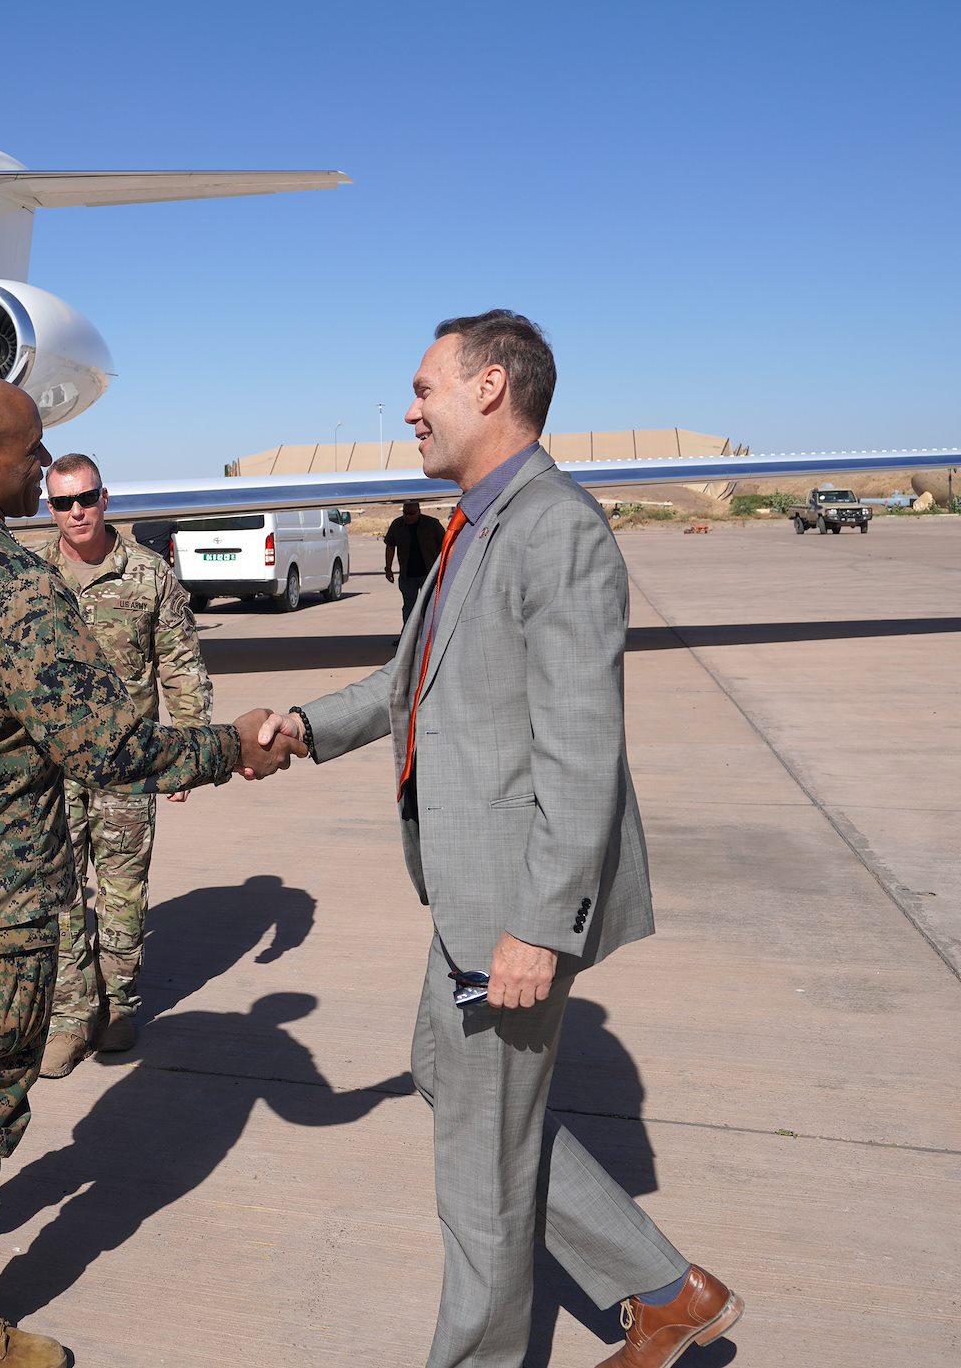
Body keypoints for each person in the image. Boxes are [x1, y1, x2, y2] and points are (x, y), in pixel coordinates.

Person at [264, 313, 741, 1368]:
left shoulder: (553, 529)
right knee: (452, 1087)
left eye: (422, 385)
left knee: (478, 1167)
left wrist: (538, 927)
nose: (407, 408)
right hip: (466, 902)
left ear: (488, 388)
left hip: (509, 910)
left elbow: (580, 751)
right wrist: (303, 729)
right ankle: (664, 1290)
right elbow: (414, 687)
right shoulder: (474, 523)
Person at [0, 377, 293, 1368]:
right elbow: (105, 749)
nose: (41, 469)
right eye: (32, 454)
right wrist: (227, 748)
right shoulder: (10, 581)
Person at [35, 452, 211, 1077]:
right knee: (53, 891)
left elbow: (180, 664)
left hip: (126, 764)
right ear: (48, 507)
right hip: (49, 768)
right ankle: (68, 1015)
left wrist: (188, 753)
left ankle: (118, 1005)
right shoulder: (32, 578)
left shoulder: (147, 574)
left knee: (121, 891)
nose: (76, 511)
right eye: (62, 502)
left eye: (85, 498)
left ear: (105, 498)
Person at [383, 498, 447, 628]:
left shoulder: (432, 524)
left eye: (411, 514)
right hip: (407, 576)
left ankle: (428, 637)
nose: (408, 517)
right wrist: (388, 568)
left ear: (419, 512)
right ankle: (408, 638)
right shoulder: (397, 525)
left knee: (429, 607)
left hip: (429, 575)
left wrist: (445, 568)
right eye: (405, 513)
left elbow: (446, 545)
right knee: (409, 607)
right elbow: (390, 545)